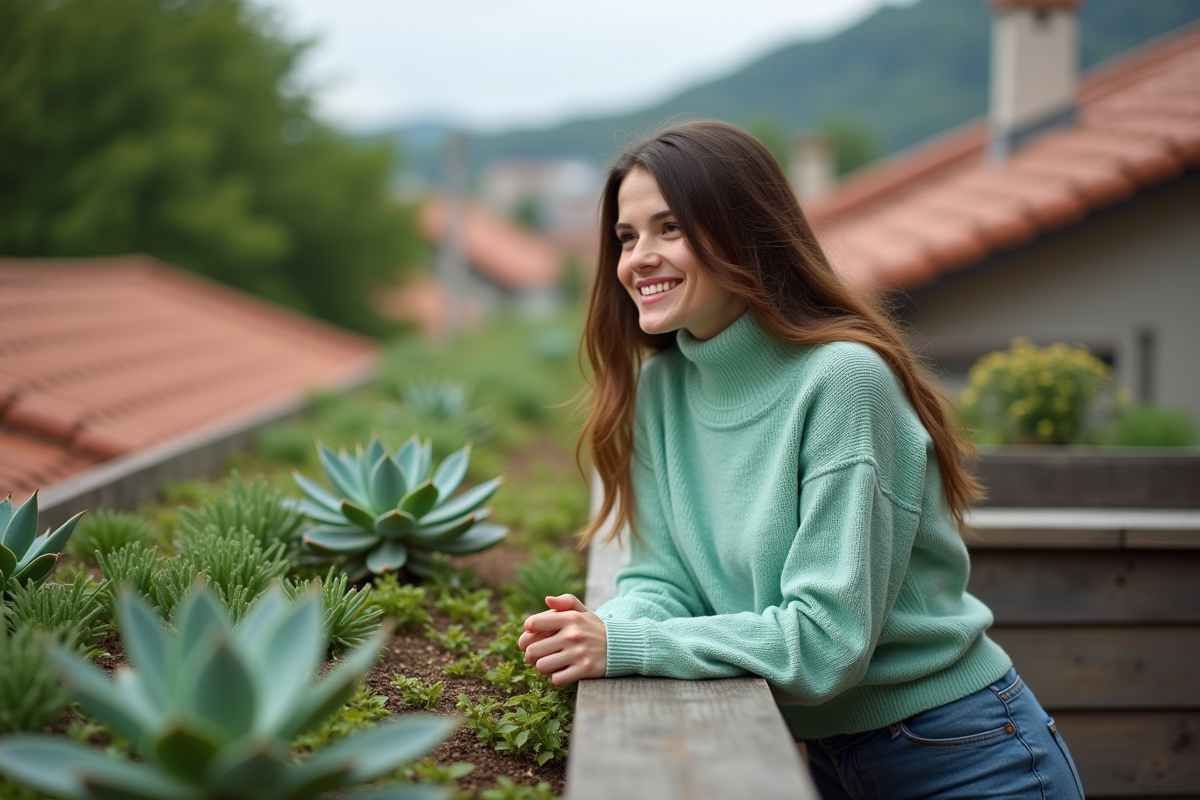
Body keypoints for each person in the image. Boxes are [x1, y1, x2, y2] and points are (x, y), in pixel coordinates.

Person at [518, 120, 1084, 799]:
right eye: (627, 236)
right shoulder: (659, 391)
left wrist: (630, 649)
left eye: (670, 228)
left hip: (965, 760)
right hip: (821, 759)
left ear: (745, 233)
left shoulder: (843, 381)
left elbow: (823, 643)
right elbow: (664, 580)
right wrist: (599, 628)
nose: (639, 257)